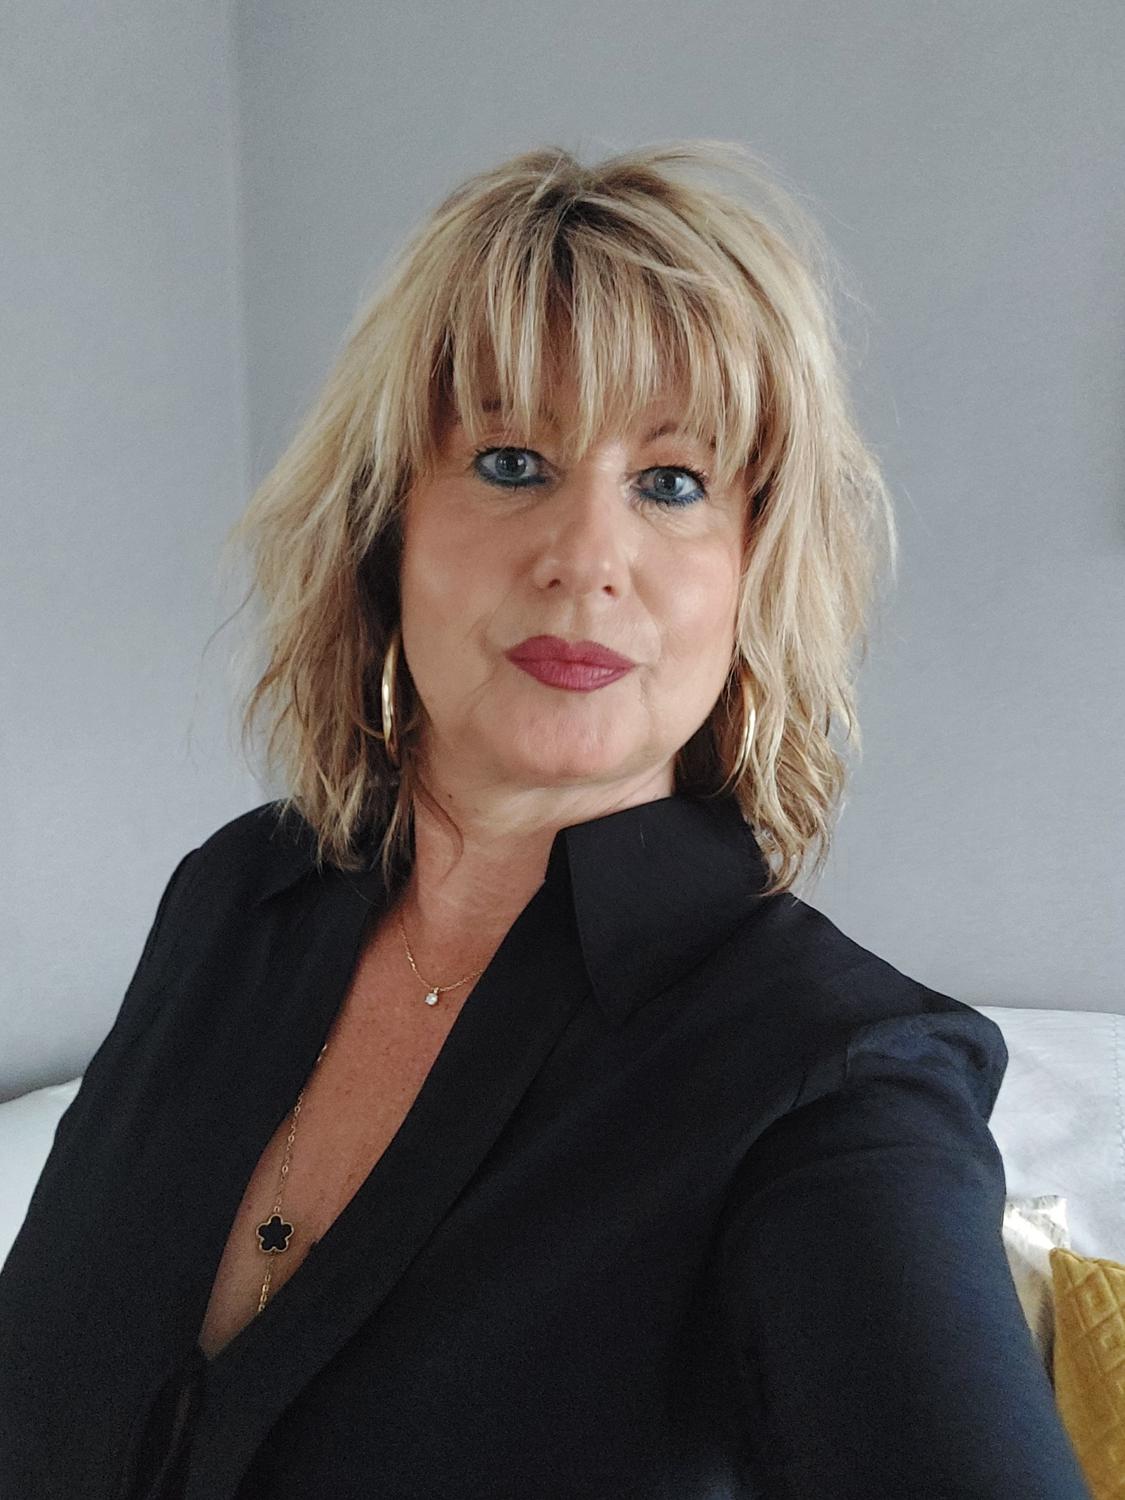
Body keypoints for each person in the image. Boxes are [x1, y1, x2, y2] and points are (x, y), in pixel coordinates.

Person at [0, 141, 1092, 1500]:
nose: (584, 556)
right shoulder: (238, 894)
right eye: (510, 460)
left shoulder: (836, 1082)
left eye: (674, 483)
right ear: (386, 530)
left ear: (752, 571)